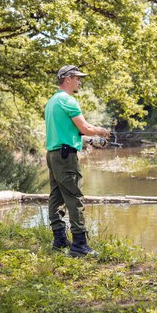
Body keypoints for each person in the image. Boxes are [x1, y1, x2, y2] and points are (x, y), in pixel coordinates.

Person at [45, 65, 110, 257]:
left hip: (53, 154)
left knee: (56, 197)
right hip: (66, 157)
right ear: (68, 79)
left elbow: (68, 133)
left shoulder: (52, 102)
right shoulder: (68, 100)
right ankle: (79, 245)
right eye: (77, 78)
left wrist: (90, 140)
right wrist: (101, 131)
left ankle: (59, 240)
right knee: (74, 197)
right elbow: (86, 127)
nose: (79, 82)